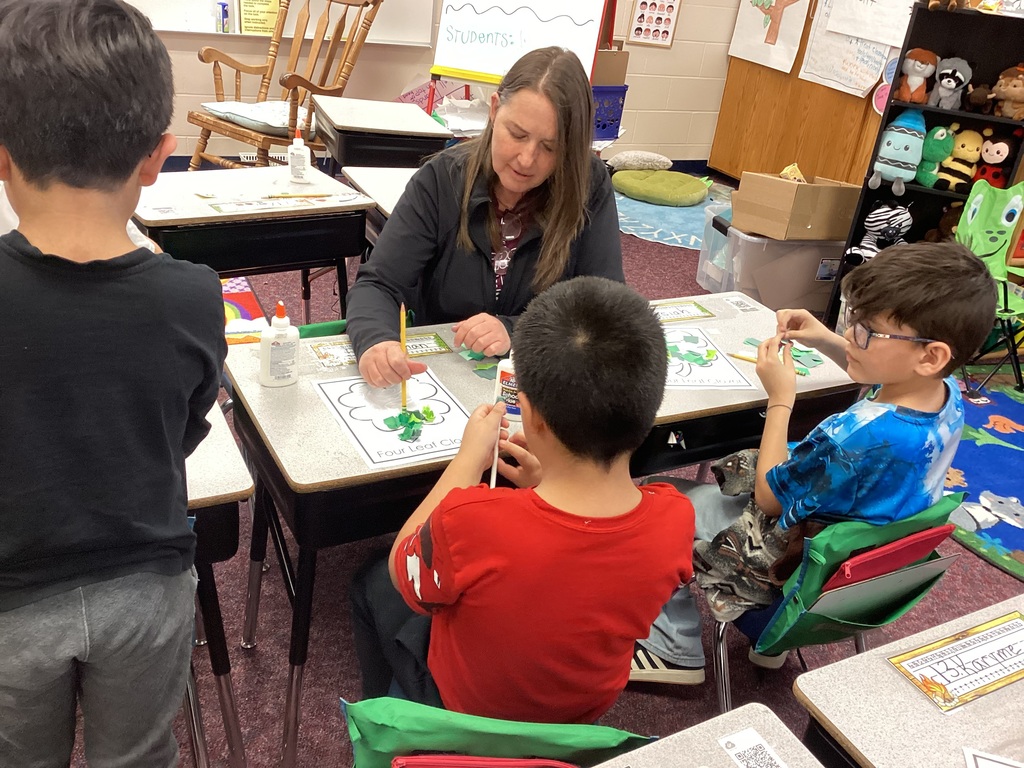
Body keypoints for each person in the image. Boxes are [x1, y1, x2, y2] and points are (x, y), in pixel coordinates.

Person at [0, 1, 227, 764]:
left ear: (2, 153)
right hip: (148, 588)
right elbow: (186, 427)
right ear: (159, 156)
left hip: (11, 598)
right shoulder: (195, 296)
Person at [629, 242, 996, 683]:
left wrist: (781, 398)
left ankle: (674, 648)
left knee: (652, 505)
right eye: (852, 320)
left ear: (930, 354)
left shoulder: (857, 436)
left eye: (867, 332)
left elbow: (767, 499)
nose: (853, 335)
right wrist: (828, 339)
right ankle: (770, 654)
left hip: (785, 577)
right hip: (840, 578)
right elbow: (890, 369)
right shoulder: (947, 394)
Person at [350, 276, 695, 724]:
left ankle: (390, 725)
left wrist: (468, 462)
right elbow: (577, 566)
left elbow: (403, 567)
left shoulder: (472, 519)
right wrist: (542, 484)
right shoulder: (676, 517)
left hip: (467, 713)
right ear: (649, 411)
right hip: (581, 714)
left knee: (371, 581)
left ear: (528, 414)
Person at [346, 47, 623, 388]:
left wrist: (515, 331)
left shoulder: (588, 184)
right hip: (444, 379)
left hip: (541, 381)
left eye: (550, 148)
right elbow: (377, 284)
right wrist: (377, 341)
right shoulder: (441, 180)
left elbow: (605, 307)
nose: (526, 159)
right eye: (517, 134)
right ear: (494, 110)